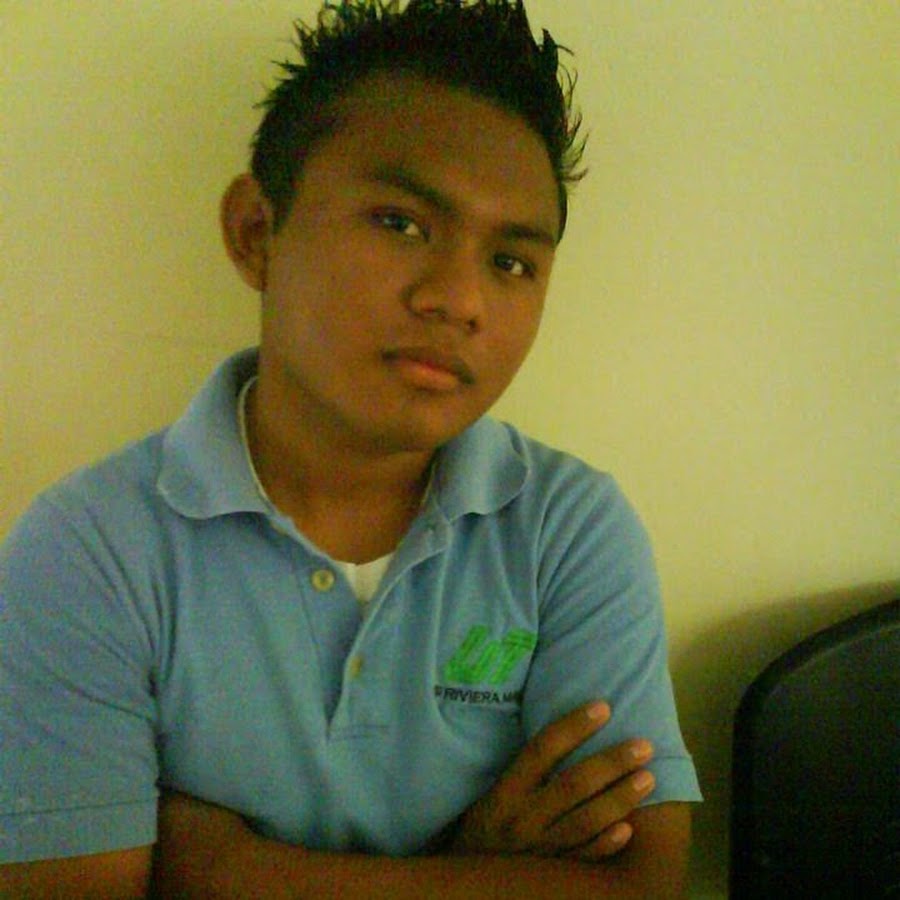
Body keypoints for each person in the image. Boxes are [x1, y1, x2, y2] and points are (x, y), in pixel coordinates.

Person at [0, 1, 702, 896]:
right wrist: (477, 868)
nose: (459, 300)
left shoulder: (567, 529)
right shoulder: (91, 548)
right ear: (257, 233)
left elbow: (642, 885)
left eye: (511, 262)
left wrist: (226, 871)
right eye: (401, 223)